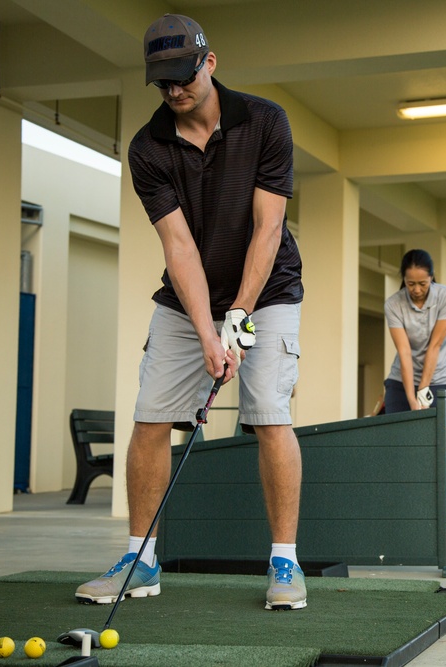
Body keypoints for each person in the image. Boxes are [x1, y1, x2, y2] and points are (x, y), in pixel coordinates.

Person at [75, 14, 306, 611]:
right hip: (186, 299)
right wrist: (208, 332)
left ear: (210, 62)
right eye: (163, 82)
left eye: (183, 76)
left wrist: (239, 317)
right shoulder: (147, 147)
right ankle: (140, 559)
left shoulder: (265, 121)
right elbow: (178, 248)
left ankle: (285, 562)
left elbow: (269, 227)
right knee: (151, 417)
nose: (174, 91)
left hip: (269, 289)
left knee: (269, 415)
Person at [382, 249, 446, 536]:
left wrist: (424, 390)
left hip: (444, 377)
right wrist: (412, 397)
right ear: (404, 280)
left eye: (422, 283)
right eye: (411, 284)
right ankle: (404, 513)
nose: (417, 290)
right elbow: (405, 352)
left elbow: (434, 346)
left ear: (431, 278)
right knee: (400, 448)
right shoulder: (393, 304)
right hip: (401, 379)